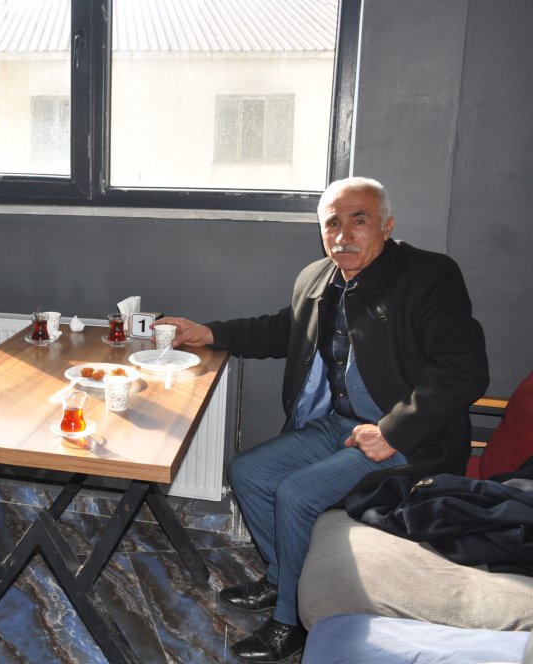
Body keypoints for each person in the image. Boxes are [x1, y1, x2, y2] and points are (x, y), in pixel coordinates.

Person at [160, 176, 489, 663]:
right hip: (339, 425)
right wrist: (208, 332)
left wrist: (393, 431)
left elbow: (464, 368)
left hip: (408, 437)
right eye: (332, 223)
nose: (344, 234)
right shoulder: (317, 277)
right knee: (248, 473)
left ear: (387, 226)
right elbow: (282, 330)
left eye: (359, 220)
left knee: (296, 493)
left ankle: (291, 621)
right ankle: (282, 578)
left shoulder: (428, 275)